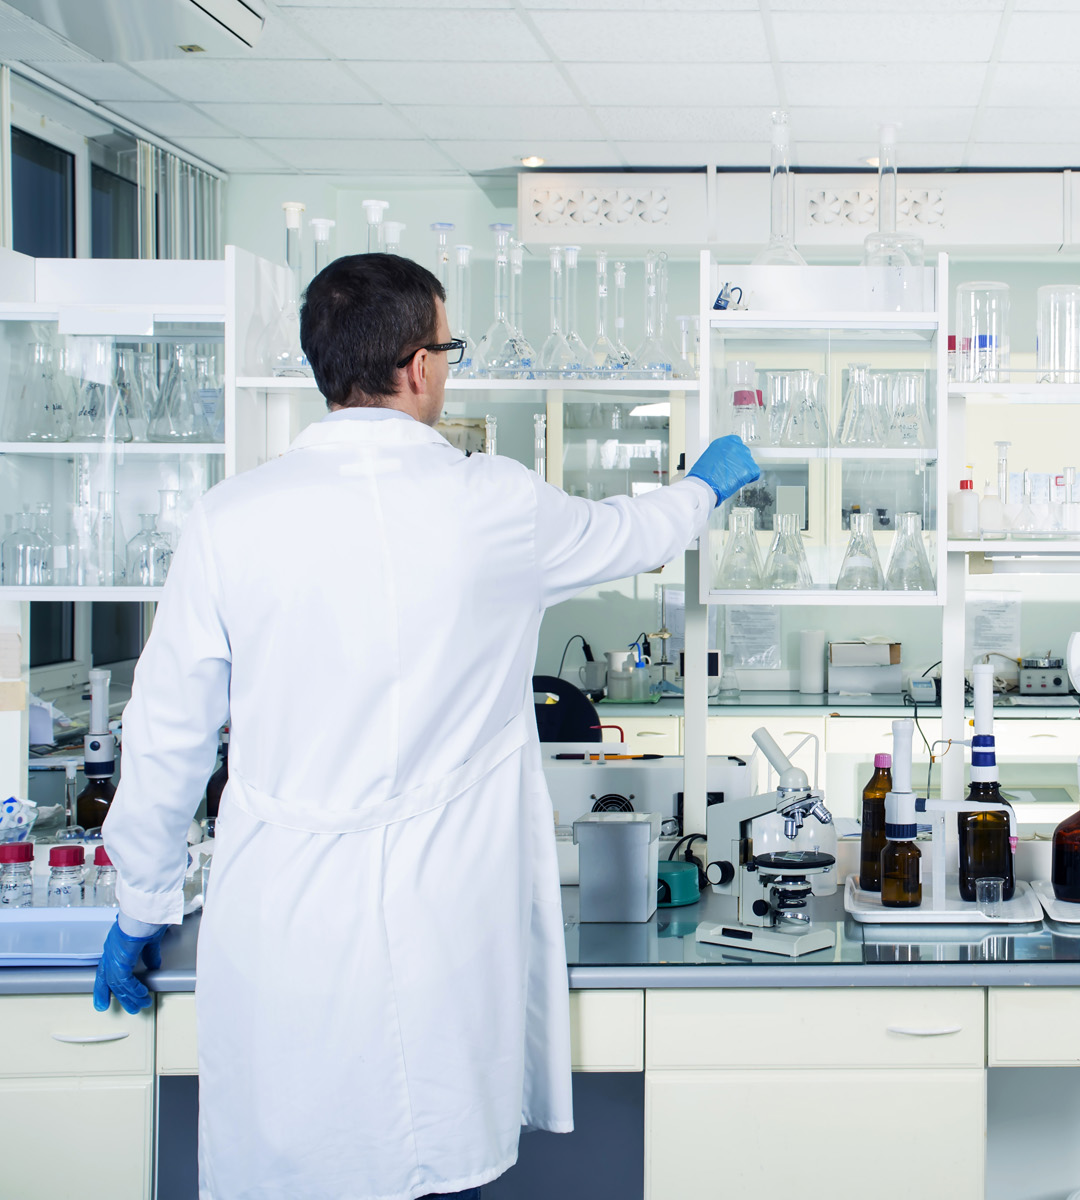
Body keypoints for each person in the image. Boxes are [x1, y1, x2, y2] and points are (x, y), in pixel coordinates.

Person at [96, 253, 758, 1200]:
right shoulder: (492, 504)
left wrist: (140, 904)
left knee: (293, 1167)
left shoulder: (229, 518)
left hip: (282, 929)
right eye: (447, 348)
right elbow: (634, 531)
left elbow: (166, 734)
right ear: (416, 365)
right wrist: (706, 485)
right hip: (444, 929)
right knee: (426, 1152)